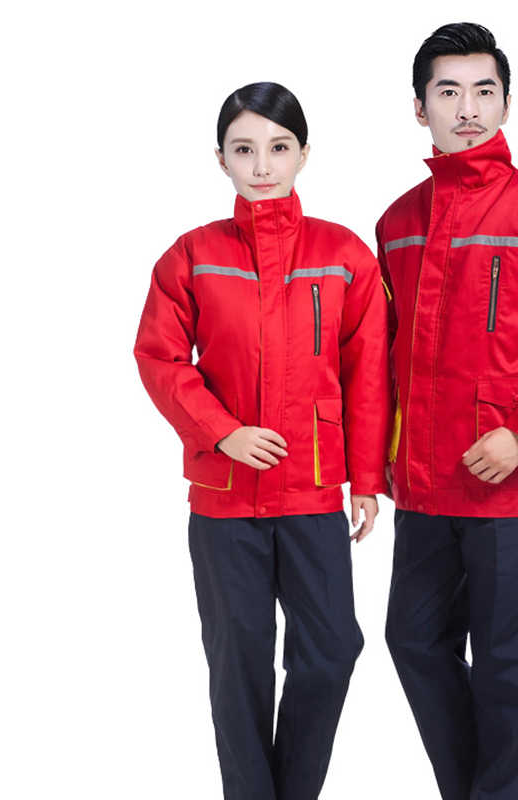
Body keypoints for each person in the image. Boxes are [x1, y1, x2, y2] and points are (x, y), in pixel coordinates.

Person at [134, 82, 390, 800]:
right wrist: (223, 432)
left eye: (278, 148)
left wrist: (367, 480)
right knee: (239, 665)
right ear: (221, 159)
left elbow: (369, 373)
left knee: (332, 650)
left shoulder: (343, 254)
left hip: (312, 491)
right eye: (244, 150)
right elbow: (158, 358)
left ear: (304, 153)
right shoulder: (192, 255)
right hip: (225, 504)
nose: (262, 165)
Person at [377, 23, 518, 800]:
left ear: (506, 102)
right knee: (413, 640)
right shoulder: (397, 222)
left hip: (513, 484)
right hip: (423, 485)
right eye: (448, 92)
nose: (468, 109)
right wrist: (377, 463)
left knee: (509, 671)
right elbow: (383, 356)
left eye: (484, 91)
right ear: (420, 107)